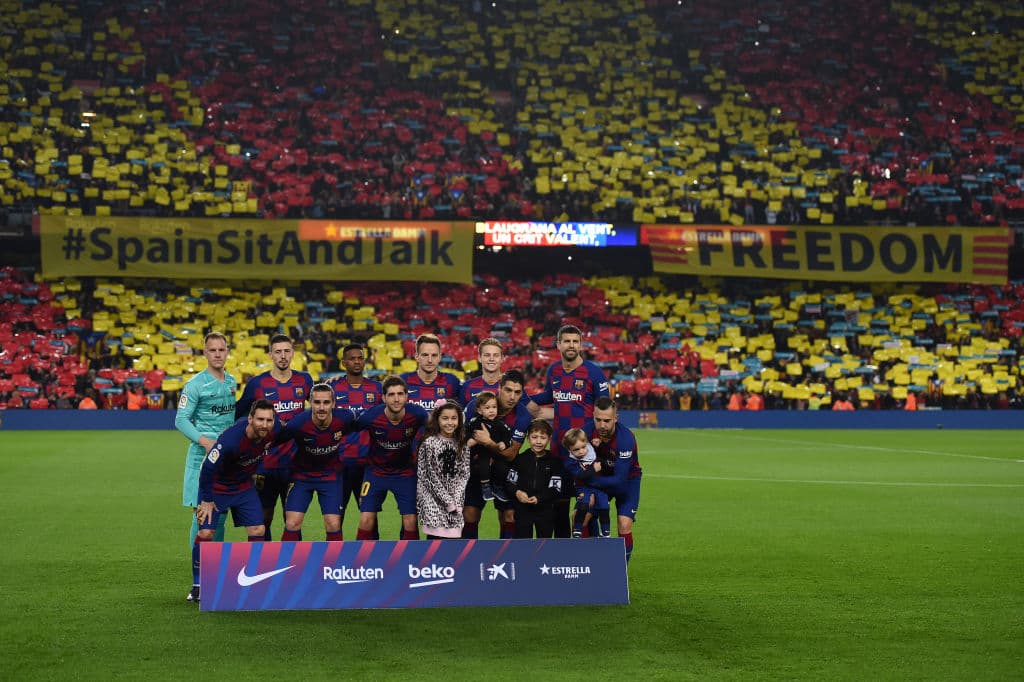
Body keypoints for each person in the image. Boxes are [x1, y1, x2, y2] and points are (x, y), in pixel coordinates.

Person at [527, 324, 610, 537]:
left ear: (581, 345)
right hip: (559, 450)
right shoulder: (554, 370)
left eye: (575, 341)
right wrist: (523, 398)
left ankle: (590, 554)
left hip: (585, 451)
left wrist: (601, 442)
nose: (571, 345)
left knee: (588, 503)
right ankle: (563, 553)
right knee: (560, 503)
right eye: (567, 341)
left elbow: (604, 410)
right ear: (559, 344)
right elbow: (548, 397)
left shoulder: (594, 373)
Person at [191, 399, 277, 604]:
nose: (264, 424)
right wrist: (207, 500)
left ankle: (253, 581)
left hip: (243, 487)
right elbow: (207, 471)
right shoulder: (230, 440)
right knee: (206, 532)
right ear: (250, 419)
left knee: (258, 530)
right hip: (216, 488)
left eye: (268, 420)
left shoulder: (274, 429)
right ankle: (198, 585)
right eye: (260, 420)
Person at [176, 331, 237, 603]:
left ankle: (217, 574)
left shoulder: (232, 382)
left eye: (222, 350)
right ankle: (198, 581)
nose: (218, 354)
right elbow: (181, 419)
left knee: (220, 515)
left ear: (227, 352)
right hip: (201, 459)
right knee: (201, 517)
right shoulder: (194, 385)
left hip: (228, 460)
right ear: (205, 353)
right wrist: (205, 441)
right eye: (213, 350)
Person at [235, 334, 314, 540]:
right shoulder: (257, 384)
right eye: (278, 352)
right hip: (264, 463)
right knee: (264, 518)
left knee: (293, 520)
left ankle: (292, 566)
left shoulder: (305, 380)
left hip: (295, 464)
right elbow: (237, 412)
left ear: (293, 354)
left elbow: (320, 405)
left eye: (287, 351)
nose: (283, 356)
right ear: (270, 355)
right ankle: (264, 565)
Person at [350, 376, 429, 541]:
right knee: (365, 520)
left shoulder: (418, 414)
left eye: (400, 394)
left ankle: (409, 562)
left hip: (404, 473)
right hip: (375, 472)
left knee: (411, 521)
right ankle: (361, 562)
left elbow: (438, 428)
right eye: (391, 394)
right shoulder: (370, 416)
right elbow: (345, 426)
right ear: (384, 397)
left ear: (407, 396)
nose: (396, 398)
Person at [273, 384, 355, 541]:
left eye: (326, 402)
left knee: (333, 524)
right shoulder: (298, 424)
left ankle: (334, 564)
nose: (322, 407)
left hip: (330, 476)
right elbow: (273, 439)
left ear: (333, 403)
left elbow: (364, 423)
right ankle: (287, 561)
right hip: (302, 476)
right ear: (310, 403)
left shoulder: (345, 418)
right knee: (292, 523)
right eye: (317, 402)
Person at [572, 397, 643, 563]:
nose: (602, 425)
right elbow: (576, 464)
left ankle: (620, 570)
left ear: (616, 418)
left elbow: (619, 479)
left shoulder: (625, 438)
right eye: (598, 420)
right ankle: (589, 564)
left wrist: (590, 481)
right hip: (600, 478)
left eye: (607, 421)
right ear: (593, 416)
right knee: (578, 517)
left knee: (624, 524)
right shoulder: (585, 433)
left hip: (627, 482)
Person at [464, 369, 533, 539]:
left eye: (517, 392)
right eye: (508, 390)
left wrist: (488, 442)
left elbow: (511, 454)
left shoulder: (523, 416)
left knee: (509, 516)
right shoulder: (477, 405)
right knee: (470, 514)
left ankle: (507, 558)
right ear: (499, 387)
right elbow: (462, 439)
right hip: (476, 466)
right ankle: (468, 559)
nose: (512, 397)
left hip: (505, 469)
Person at [325, 343, 383, 536]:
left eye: (360, 358)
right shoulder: (332, 388)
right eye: (352, 358)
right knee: (335, 518)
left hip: (367, 464)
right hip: (339, 463)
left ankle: (373, 561)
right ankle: (334, 562)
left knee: (369, 518)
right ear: (343, 363)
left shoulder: (376, 388)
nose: (357, 361)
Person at [416, 400, 471, 539]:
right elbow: (429, 477)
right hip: (433, 501)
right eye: (445, 418)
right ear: (437, 420)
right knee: (435, 542)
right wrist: (448, 502)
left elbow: (464, 474)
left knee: (452, 543)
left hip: (455, 501)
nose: (449, 422)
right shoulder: (429, 443)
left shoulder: (462, 444)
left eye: (454, 418)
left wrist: (456, 501)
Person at [508, 419, 564, 539]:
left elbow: (555, 488)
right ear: (528, 438)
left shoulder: (555, 462)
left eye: (543, 438)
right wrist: (517, 492)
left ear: (549, 439)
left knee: (544, 545)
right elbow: (510, 482)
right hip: (522, 510)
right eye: (534, 437)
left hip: (545, 511)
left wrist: (540, 498)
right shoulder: (519, 459)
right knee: (523, 544)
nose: (538, 441)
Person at [561, 428, 611, 538]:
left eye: (583, 447)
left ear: (586, 442)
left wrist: (600, 444)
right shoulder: (570, 462)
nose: (581, 451)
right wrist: (594, 469)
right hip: (583, 487)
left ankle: (606, 532)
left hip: (599, 486)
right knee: (583, 506)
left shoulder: (592, 449)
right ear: (569, 449)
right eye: (576, 449)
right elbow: (581, 475)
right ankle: (577, 529)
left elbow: (605, 457)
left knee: (604, 507)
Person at [465, 390, 511, 502]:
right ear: (479, 411)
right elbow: (467, 431)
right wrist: (471, 440)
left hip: (495, 453)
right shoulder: (476, 422)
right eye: (487, 408)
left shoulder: (500, 424)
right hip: (480, 452)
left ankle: (497, 486)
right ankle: (485, 487)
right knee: (483, 461)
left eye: (494, 407)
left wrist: (503, 443)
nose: (491, 410)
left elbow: (507, 434)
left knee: (503, 466)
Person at [402, 333, 461, 413]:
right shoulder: (403, 381)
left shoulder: (451, 381)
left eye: (434, 355)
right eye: (425, 355)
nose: (430, 360)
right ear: (416, 357)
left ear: (439, 357)